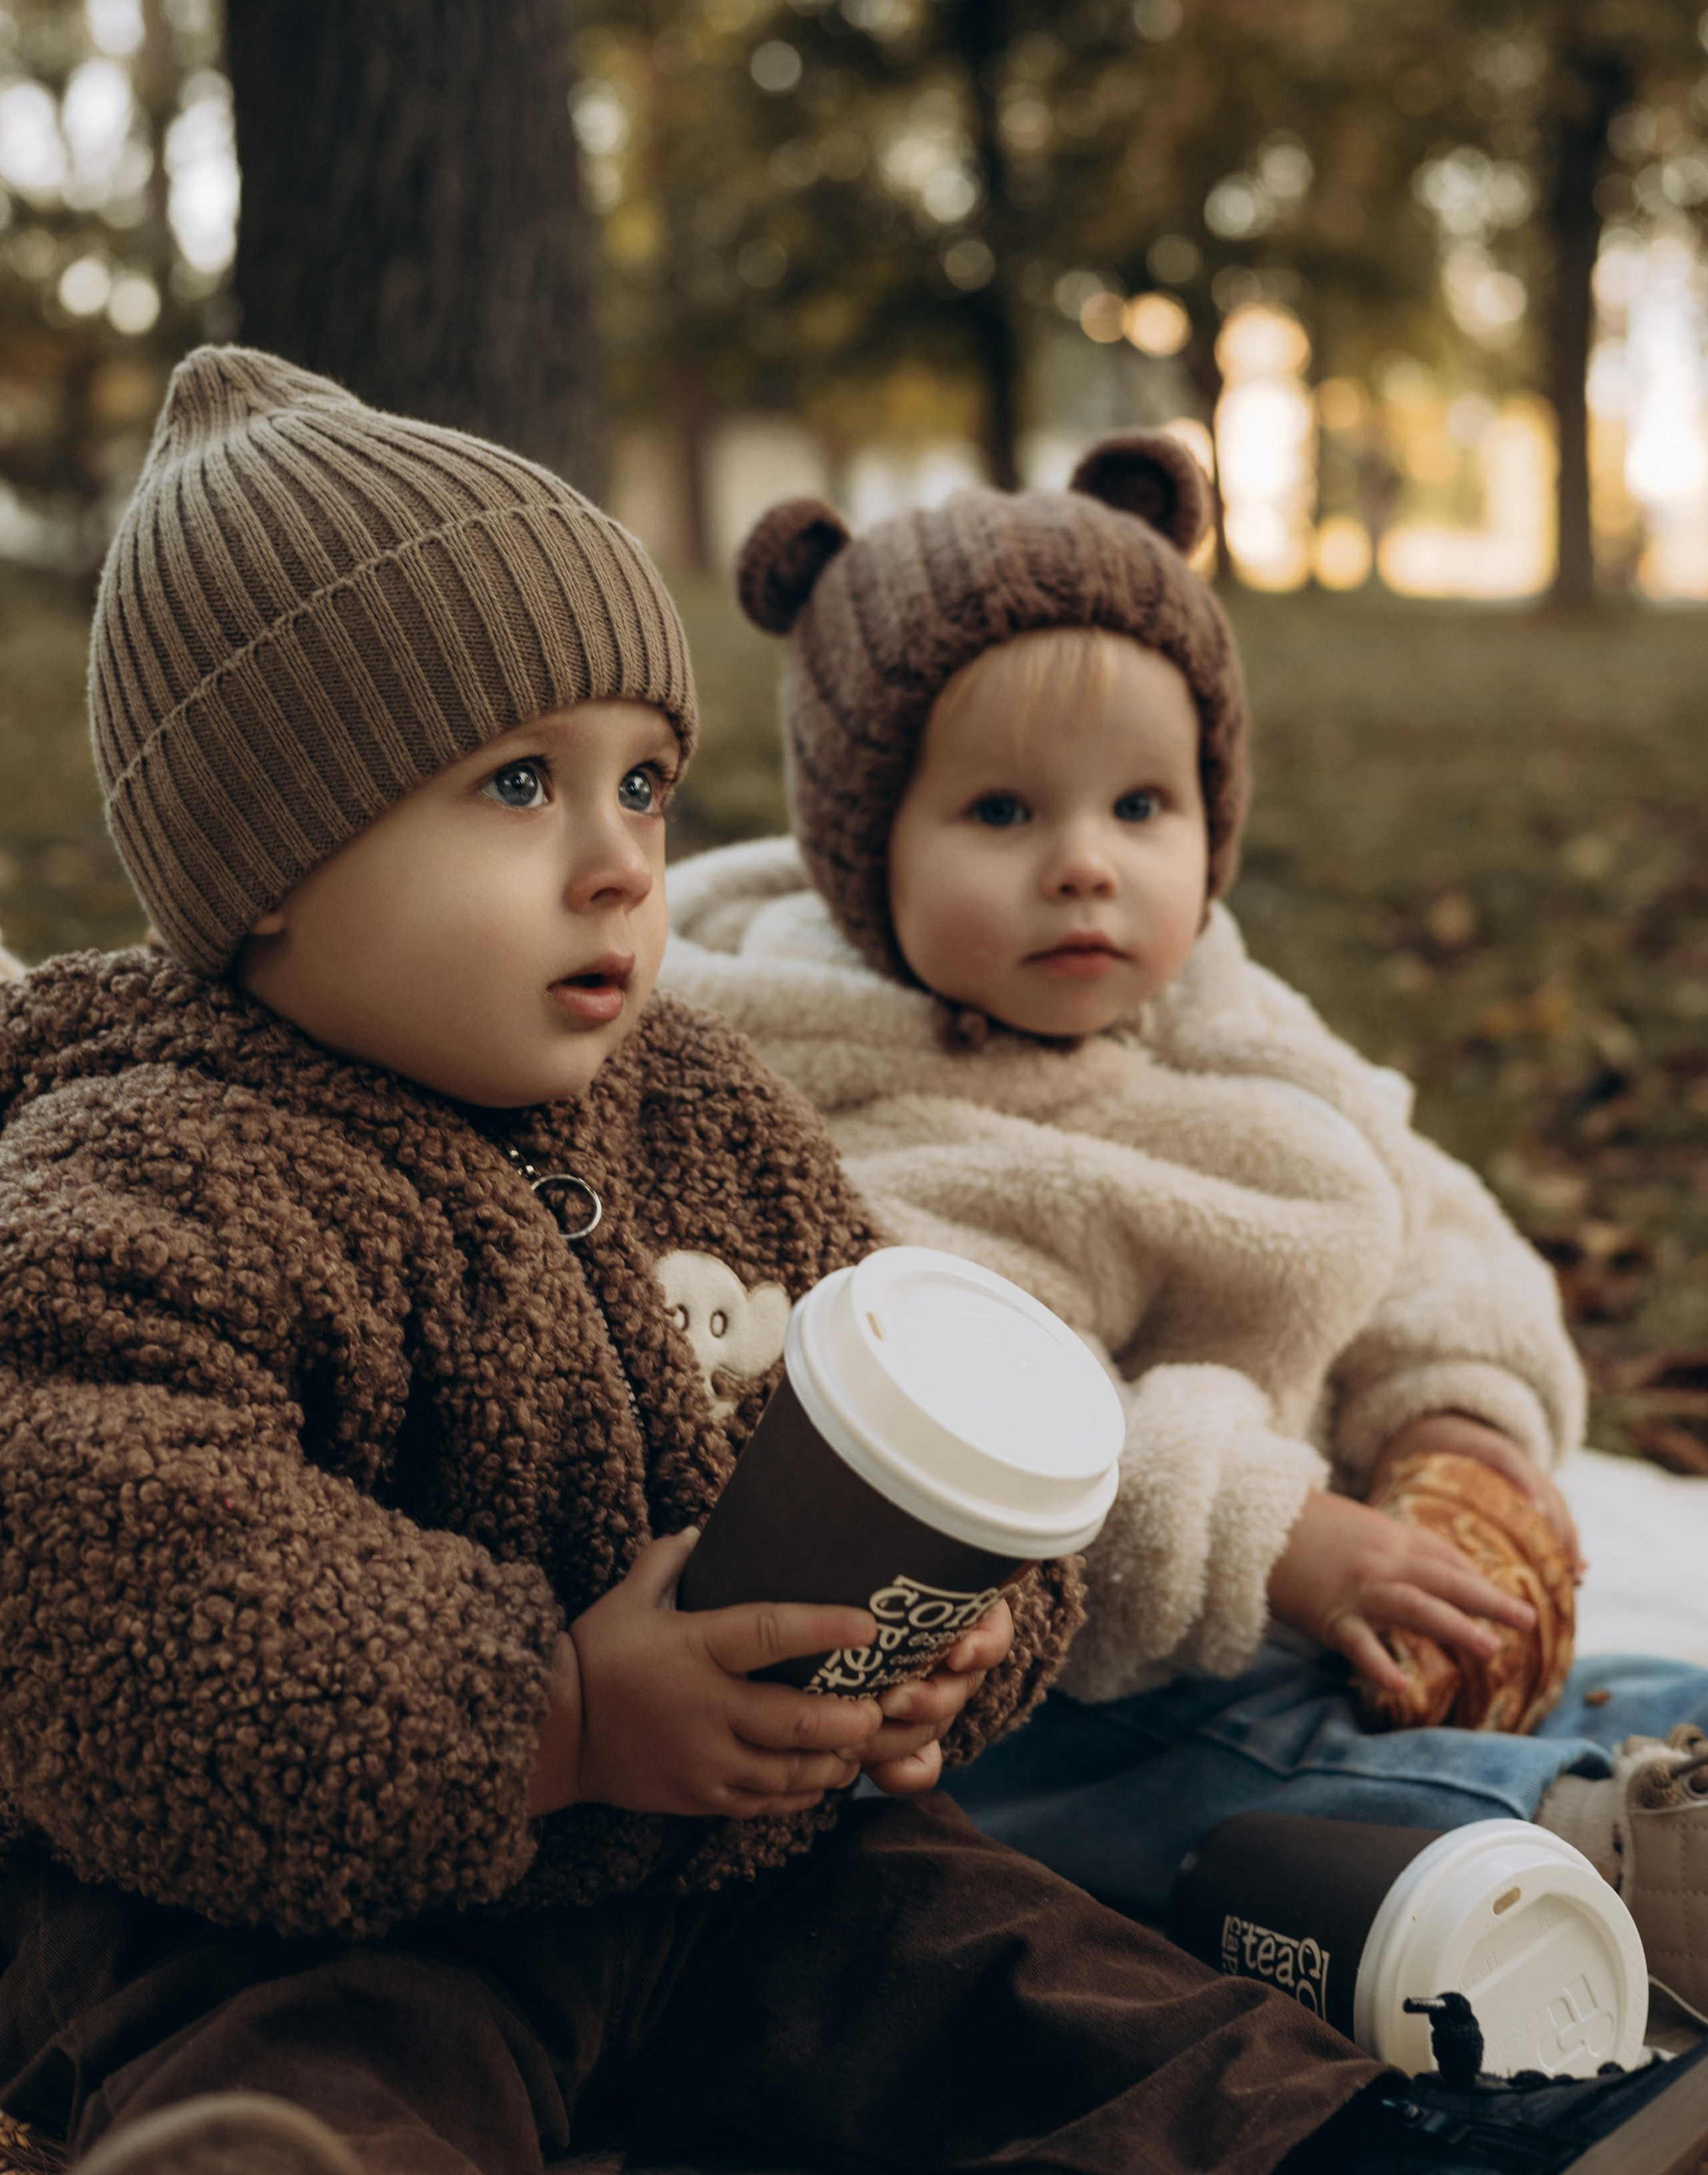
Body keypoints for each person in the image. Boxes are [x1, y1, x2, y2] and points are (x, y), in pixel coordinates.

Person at [16, 351, 1693, 2175]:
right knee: (314, 2075)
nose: (617, 864)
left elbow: (910, 1395)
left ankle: (1367, 2149)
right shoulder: (145, 1178)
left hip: (735, 1871)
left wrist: (958, 1635)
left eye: (642, 784)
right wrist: (554, 1720)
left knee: (1027, 1979)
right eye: (516, 784)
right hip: (320, 1911)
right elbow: (126, 1597)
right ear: (267, 854)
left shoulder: (698, 1109)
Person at [661, 432, 1708, 2022]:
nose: (1084, 864)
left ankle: (1652, 1760)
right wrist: (1262, 1533)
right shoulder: (841, 1094)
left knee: (1523, 1661)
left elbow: (1414, 1200)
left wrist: (1453, 1415)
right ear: (860, 845)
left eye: (1140, 805)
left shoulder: (1219, 1005)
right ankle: (1566, 1851)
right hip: (1052, 1668)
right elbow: (984, 1436)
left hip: (1310, 1585)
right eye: (1000, 810)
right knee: (1195, 1775)